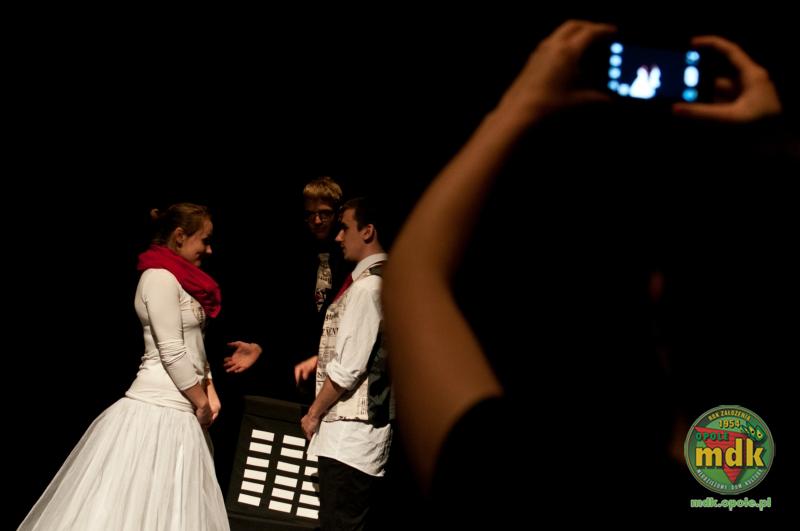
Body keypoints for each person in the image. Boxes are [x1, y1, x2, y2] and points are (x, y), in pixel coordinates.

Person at [382, 20, 784, 523]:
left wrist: (518, 106)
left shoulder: (531, 486)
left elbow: (413, 276)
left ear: (656, 296)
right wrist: (775, 144)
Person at [19, 203, 230, 530]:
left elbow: (194, 346)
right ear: (179, 236)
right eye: (204, 239)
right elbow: (171, 350)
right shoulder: (158, 278)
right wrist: (201, 402)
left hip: (182, 412)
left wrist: (209, 388)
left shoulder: (184, 282)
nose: (209, 249)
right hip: (155, 409)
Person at [296, 197, 392, 530]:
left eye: (345, 228)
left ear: (368, 231)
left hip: (350, 437)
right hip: (352, 437)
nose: (338, 237)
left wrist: (313, 413)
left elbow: (349, 368)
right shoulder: (377, 281)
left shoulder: (369, 287)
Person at [222, 176, 348, 401]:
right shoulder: (291, 255)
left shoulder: (349, 257)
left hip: (337, 367)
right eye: (310, 214)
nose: (316, 220)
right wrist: (260, 345)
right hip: (294, 368)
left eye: (324, 213)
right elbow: (278, 309)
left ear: (338, 214)